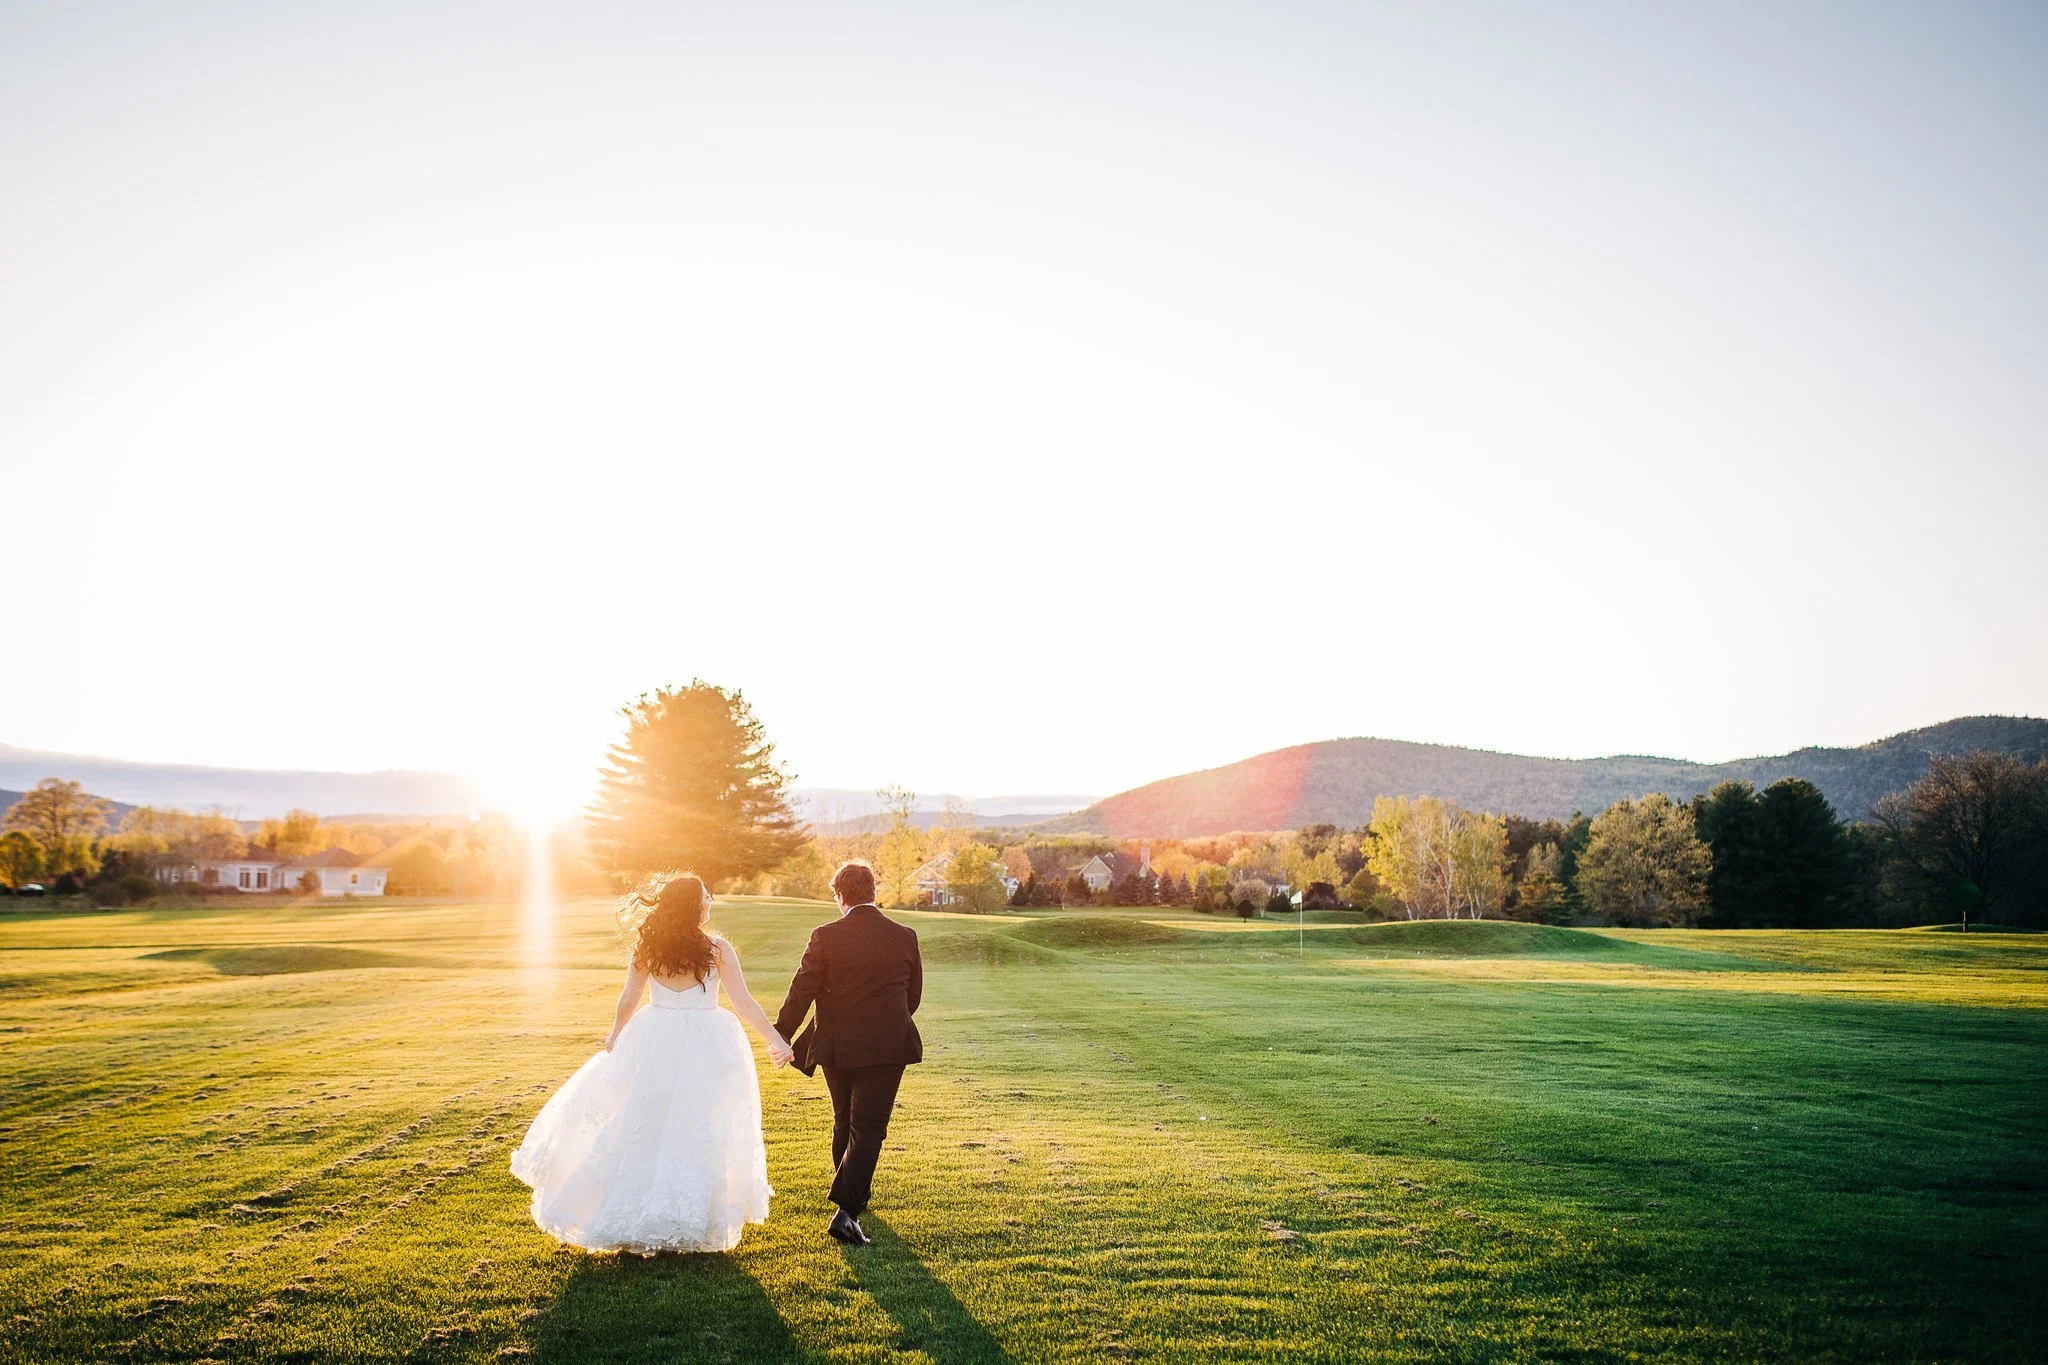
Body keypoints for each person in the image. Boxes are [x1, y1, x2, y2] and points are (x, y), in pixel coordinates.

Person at [510, 874, 794, 1253]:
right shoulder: (717, 948)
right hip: (706, 1042)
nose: (710, 901)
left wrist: (616, 1033)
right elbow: (743, 1003)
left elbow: (628, 998)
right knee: (696, 1125)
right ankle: (688, 1219)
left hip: (654, 1036)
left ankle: (640, 1212)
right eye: (706, 896)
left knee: (643, 1123)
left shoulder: (649, 946)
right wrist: (776, 1040)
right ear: (695, 905)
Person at [772, 860, 923, 1246]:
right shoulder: (905, 935)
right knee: (868, 1127)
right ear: (873, 893)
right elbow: (913, 998)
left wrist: (782, 1036)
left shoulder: (824, 935)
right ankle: (847, 1211)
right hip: (888, 1043)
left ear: (839, 896)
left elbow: (801, 989)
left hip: (837, 1045)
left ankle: (851, 1198)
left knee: (846, 1120)